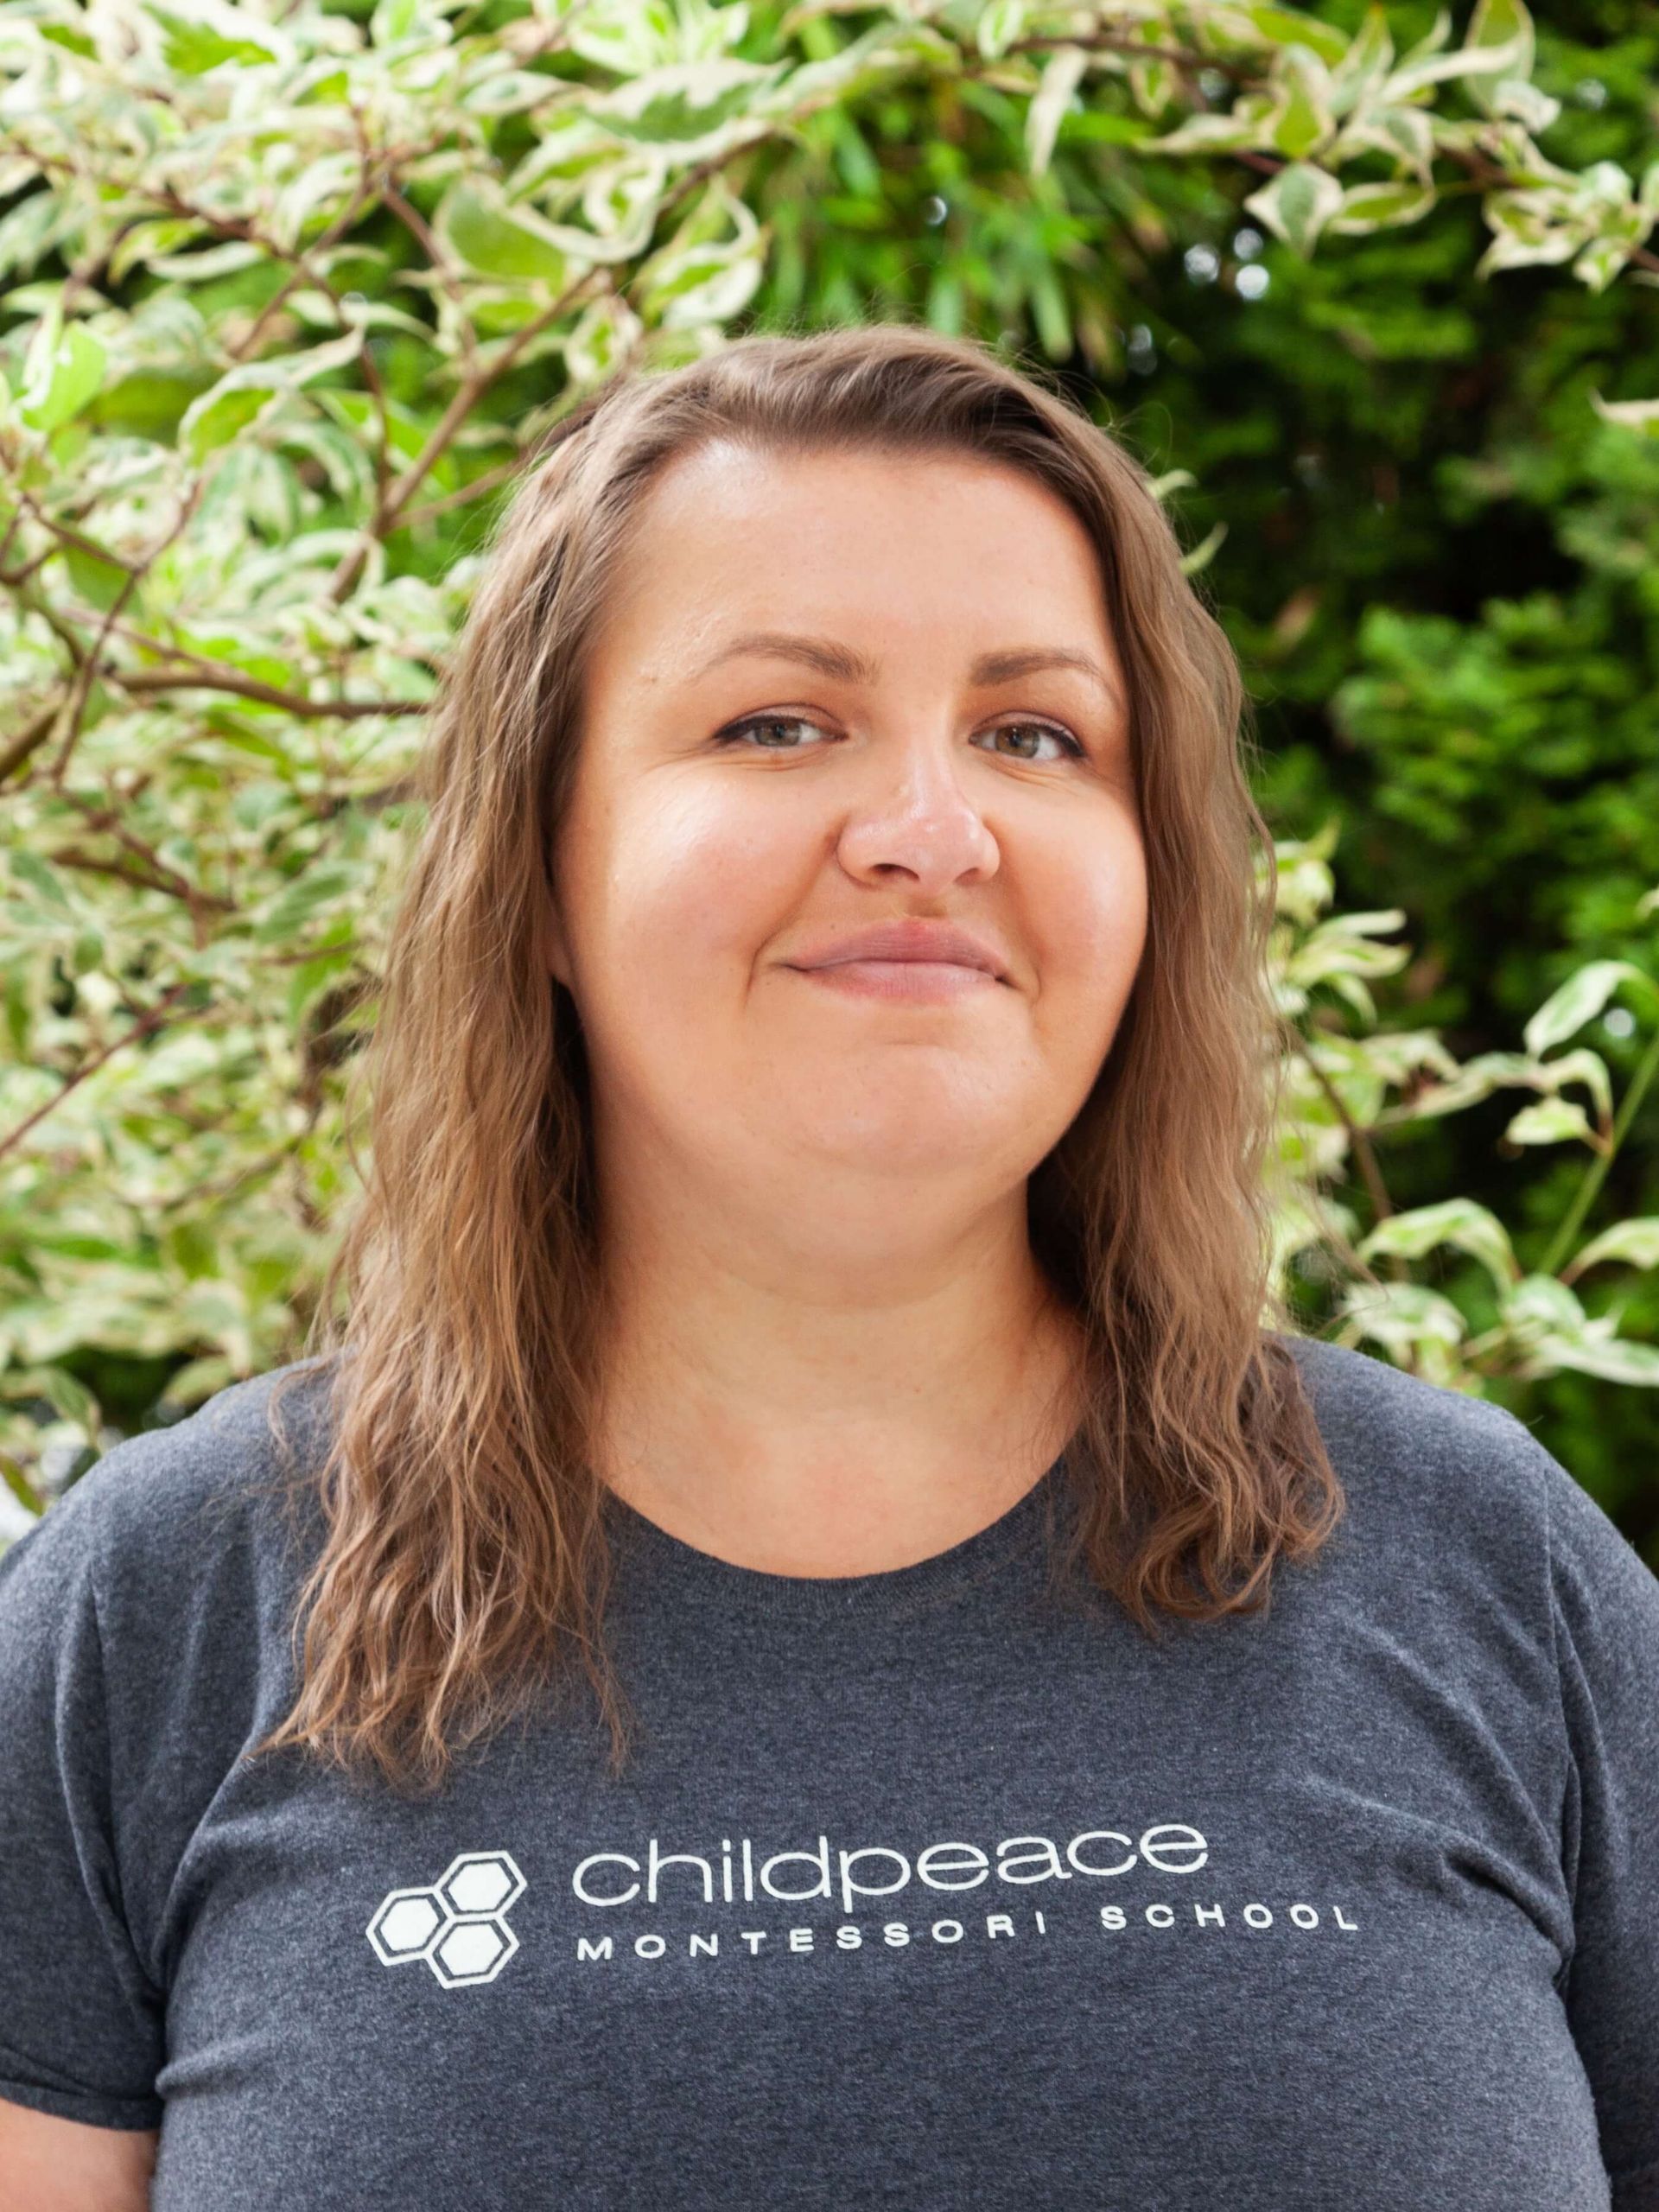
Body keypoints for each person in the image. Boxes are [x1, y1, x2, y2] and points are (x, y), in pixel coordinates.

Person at [1, 323, 1655, 2212]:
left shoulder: (1485, 1569)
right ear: (536, 870)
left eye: (1035, 733)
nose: (930, 832)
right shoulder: (157, 1608)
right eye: (778, 721)